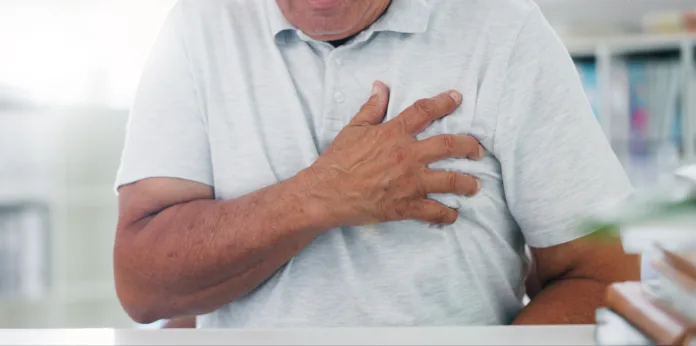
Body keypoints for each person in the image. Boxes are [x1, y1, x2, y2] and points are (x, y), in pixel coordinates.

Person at [114, 0, 640, 328]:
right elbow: (142, 285)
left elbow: (602, 277)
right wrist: (320, 195)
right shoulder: (196, 26)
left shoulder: (504, 29)